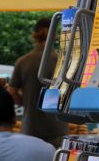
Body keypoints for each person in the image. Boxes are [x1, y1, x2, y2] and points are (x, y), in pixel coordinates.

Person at [7, 17, 68, 148]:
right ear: (54, 35)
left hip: (31, 127)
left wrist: (26, 102)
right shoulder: (62, 62)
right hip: (57, 127)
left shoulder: (23, 61)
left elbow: (11, 92)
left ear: (34, 35)